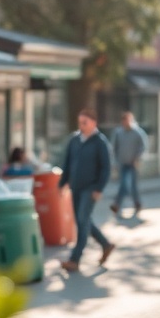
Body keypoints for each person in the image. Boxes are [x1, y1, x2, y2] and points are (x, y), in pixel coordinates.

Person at [58, 108, 115, 272]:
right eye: (80, 123)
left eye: (85, 122)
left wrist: (99, 188)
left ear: (94, 123)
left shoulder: (100, 142)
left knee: (83, 221)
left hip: (90, 189)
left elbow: (106, 168)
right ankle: (106, 244)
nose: (82, 126)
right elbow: (67, 162)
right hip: (75, 187)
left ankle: (74, 260)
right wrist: (62, 183)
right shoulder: (75, 140)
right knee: (83, 221)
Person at [111, 111, 147, 216]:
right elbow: (114, 148)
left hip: (133, 163)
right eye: (124, 121)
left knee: (133, 186)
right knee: (124, 185)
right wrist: (115, 162)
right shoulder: (118, 133)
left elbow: (143, 146)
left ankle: (137, 203)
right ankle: (117, 205)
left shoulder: (137, 132)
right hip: (122, 163)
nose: (126, 123)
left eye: (127, 120)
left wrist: (138, 158)